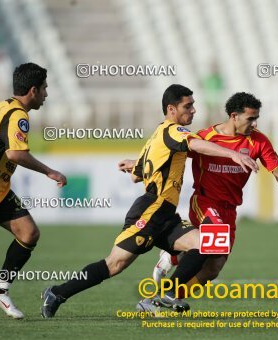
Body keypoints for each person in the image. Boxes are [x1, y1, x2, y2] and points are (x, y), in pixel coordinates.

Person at [40, 84, 258, 318]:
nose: (193, 110)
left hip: (164, 214)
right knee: (115, 264)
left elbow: (138, 174)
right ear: (171, 109)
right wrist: (232, 153)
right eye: (188, 105)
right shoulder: (175, 131)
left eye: (193, 105)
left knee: (206, 242)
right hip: (150, 211)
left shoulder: (159, 133)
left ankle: (161, 297)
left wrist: (135, 164)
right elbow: (196, 144)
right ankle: (57, 292)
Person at [134, 92, 278, 310]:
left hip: (230, 209)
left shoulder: (258, 141)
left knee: (213, 268)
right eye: (250, 118)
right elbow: (169, 152)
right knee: (213, 241)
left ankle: (159, 298)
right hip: (205, 202)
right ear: (234, 116)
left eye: (256, 118)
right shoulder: (206, 137)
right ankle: (171, 283)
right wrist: (137, 163)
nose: (254, 123)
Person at [0, 63, 67, 319]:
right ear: (33, 90)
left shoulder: (3, 105)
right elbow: (15, 153)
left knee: (28, 233)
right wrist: (49, 172)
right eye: (44, 88)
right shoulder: (18, 114)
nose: (46, 94)